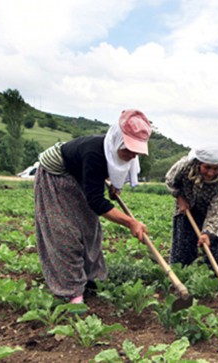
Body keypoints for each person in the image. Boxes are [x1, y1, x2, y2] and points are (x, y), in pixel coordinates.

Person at [34, 109, 151, 304]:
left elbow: (113, 170)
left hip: (78, 175)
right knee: (64, 232)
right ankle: (71, 291)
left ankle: (93, 279)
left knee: (90, 228)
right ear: (117, 141)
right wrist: (130, 222)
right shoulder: (95, 152)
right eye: (128, 150)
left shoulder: (124, 154)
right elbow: (96, 201)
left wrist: (115, 185)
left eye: (135, 151)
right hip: (55, 175)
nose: (131, 155)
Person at [165, 145, 218, 282]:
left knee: (217, 237)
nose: (210, 173)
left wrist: (207, 233)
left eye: (215, 169)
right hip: (186, 202)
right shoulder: (184, 166)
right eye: (207, 167)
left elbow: (216, 211)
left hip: (209, 207)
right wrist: (180, 198)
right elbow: (170, 180)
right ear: (198, 164)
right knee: (183, 235)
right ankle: (179, 269)